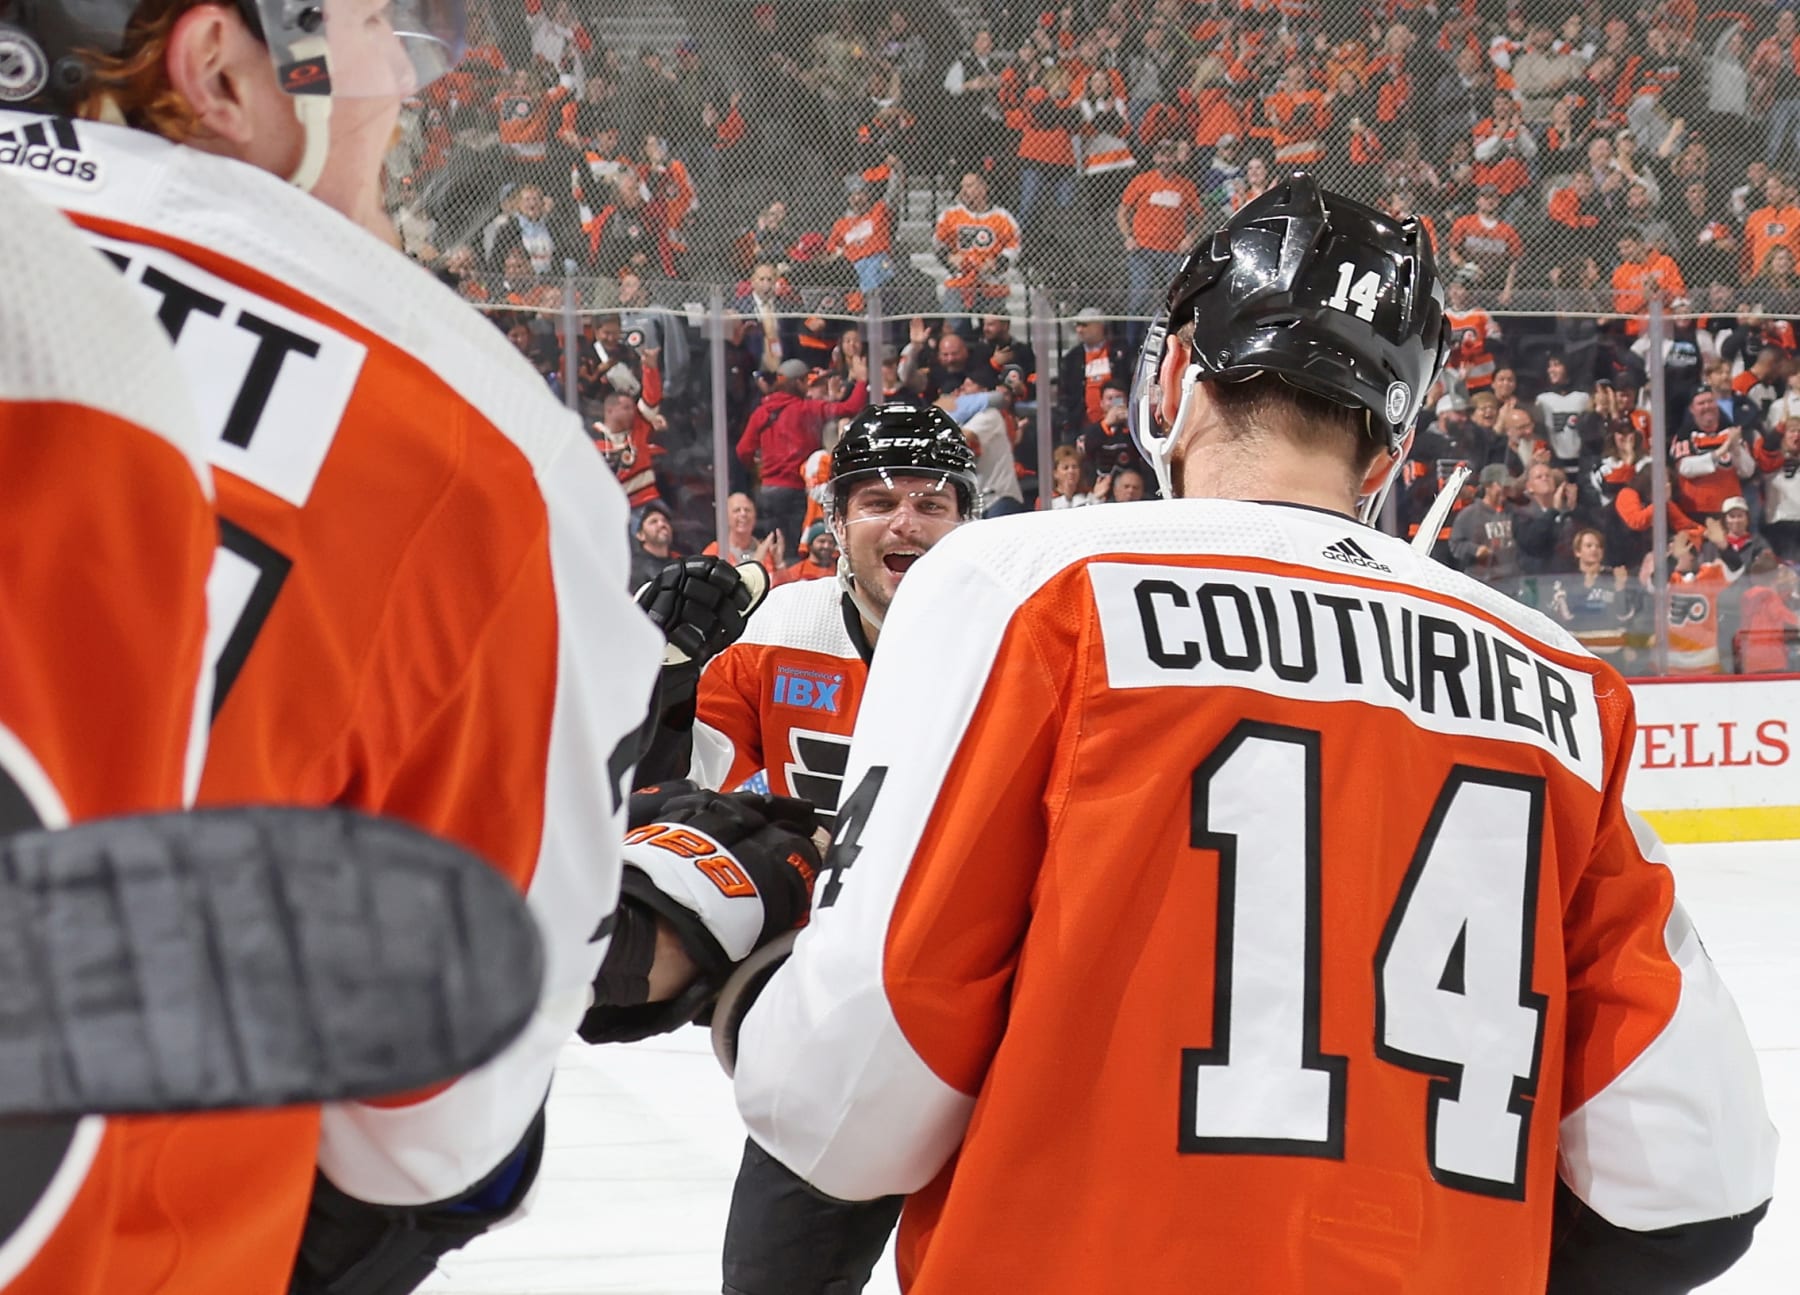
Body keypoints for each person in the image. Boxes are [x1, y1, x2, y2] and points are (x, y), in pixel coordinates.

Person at [724, 175, 1774, 1295]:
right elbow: (1693, 1178)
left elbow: (857, 1079)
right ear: (1387, 449)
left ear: (1175, 373)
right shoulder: (1566, 683)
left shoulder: (1023, 588)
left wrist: (755, 972)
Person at [0, 5, 672, 1292]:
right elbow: (430, 1129)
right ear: (215, 69)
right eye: (386, 43)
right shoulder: (476, 443)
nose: (406, 102)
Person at [653, 405, 980, 830]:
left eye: (931, 506)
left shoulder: (1016, 645)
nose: (904, 523)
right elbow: (676, 784)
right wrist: (664, 694)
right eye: (879, 503)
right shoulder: (776, 631)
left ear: (965, 523)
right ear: (838, 523)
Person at [738, 356, 870, 549]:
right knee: (793, 547)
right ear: (798, 382)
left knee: (771, 546)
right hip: (795, 490)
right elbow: (850, 407)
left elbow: (743, 450)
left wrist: (758, 470)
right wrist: (862, 380)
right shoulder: (806, 409)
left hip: (767, 490)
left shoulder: (762, 412)